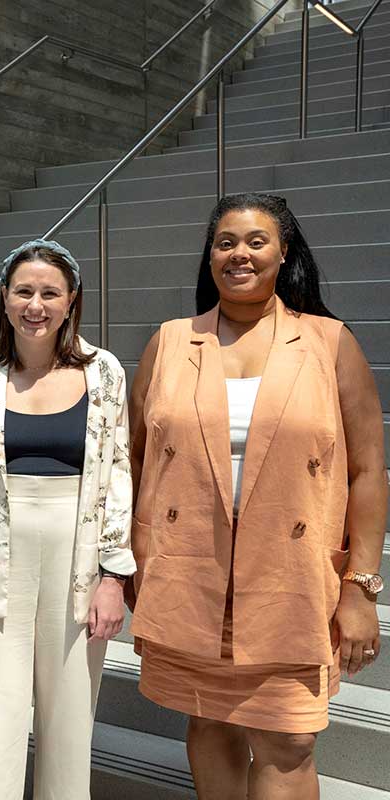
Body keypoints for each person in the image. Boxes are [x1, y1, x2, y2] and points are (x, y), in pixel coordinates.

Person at [128, 193, 388, 799]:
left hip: (291, 582)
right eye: (225, 242)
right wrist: (135, 559)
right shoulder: (170, 342)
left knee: (288, 740)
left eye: (255, 241)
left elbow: (368, 471)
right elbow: (133, 460)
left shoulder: (328, 343)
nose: (239, 253)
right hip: (190, 575)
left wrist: (362, 588)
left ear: (283, 253)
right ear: (208, 257)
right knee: (210, 721)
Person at [0, 240, 135, 799]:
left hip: (78, 563)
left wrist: (115, 577)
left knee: (68, 723)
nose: (35, 305)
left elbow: (120, 474)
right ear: (3, 298)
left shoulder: (104, 373)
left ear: (72, 301)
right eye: (24, 291)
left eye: (50, 293)